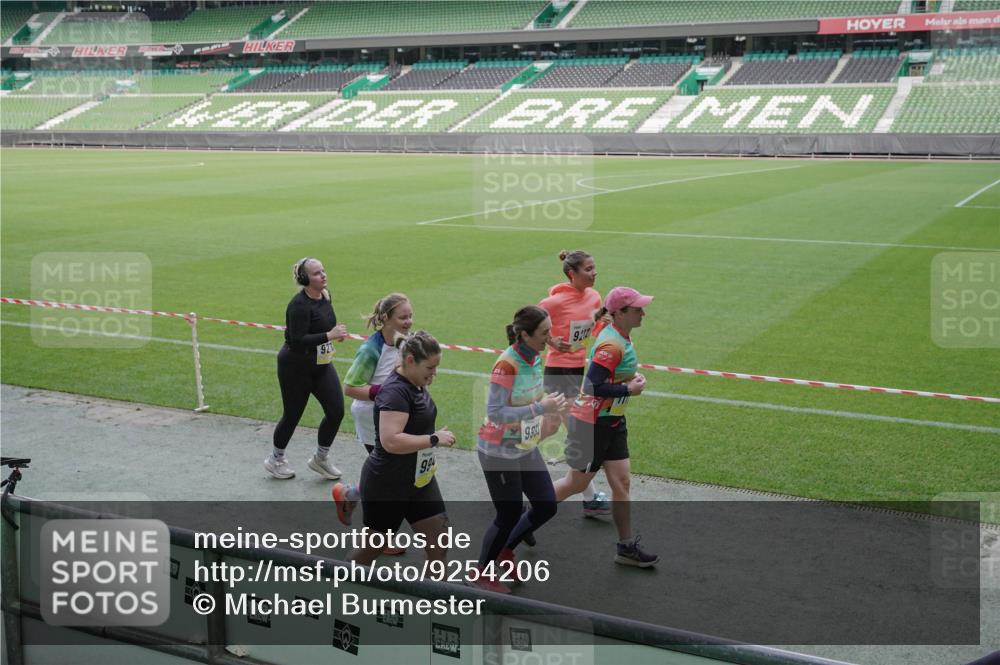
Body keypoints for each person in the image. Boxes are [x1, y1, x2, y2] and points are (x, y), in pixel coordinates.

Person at [554, 287, 659, 568]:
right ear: (620, 313)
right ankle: (526, 516)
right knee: (576, 484)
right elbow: (592, 386)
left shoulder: (621, 336)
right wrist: (627, 389)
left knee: (622, 482)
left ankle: (626, 548)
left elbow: (610, 377)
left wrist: (629, 378)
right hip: (592, 424)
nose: (643, 313)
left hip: (612, 420)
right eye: (637, 309)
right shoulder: (611, 344)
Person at [472, 306, 565, 594]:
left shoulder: (534, 355)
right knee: (508, 513)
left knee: (546, 505)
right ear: (524, 335)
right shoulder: (506, 365)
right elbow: (496, 412)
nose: (550, 337)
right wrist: (541, 408)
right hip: (498, 451)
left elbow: (530, 398)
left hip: (524, 446)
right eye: (545, 332)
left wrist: (549, 408)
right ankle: (480, 572)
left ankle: (505, 550)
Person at [344, 331, 456, 566]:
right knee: (368, 553)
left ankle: (437, 590)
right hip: (388, 485)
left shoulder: (416, 382)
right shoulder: (395, 392)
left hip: (419, 480)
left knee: (439, 545)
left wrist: (430, 436)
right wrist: (433, 439)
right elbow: (391, 441)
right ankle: (335, 582)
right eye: (430, 367)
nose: (434, 373)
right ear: (411, 361)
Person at [334, 293, 412, 555]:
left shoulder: (405, 342)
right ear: (386, 319)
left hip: (393, 416)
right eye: (403, 317)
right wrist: (388, 392)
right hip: (371, 419)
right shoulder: (371, 349)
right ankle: (377, 536)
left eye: (410, 316)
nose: (408, 321)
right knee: (386, 476)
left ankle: (350, 495)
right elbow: (350, 387)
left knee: (387, 474)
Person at [538, 250, 611, 517]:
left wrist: (604, 325)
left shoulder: (594, 297)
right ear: (572, 273)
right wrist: (551, 341)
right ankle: (589, 498)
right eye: (588, 269)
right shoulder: (553, 302)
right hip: (557, 372)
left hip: (579, 370)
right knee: (579, 434)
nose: (594, 273)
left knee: (549, 426)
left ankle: (508, 451)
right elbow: (525, 325)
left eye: (594, 268)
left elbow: (593, 328)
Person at [265, 257, 349, 480]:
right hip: (295, 366)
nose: (323, 275)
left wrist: (335, 334)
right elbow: (297, 339)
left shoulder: (326, 295)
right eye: (316, 273)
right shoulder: (298, 306)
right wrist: (329, 335)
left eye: (323, 271)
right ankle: (275, 459)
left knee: (336, 411)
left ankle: (321, 458)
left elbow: (324, 325)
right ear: (305, 279)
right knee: (292, 414)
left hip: (321, 363)